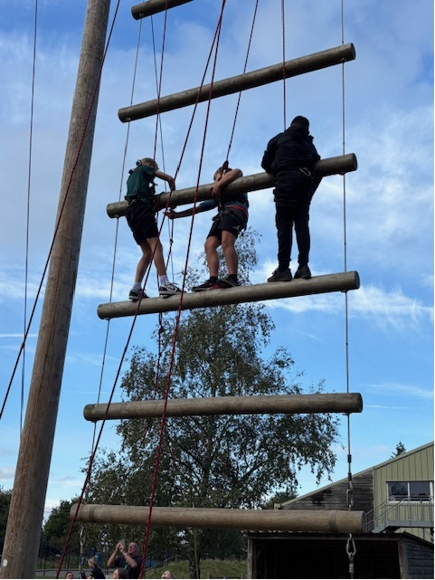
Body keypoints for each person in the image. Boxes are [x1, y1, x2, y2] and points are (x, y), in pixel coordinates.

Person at [165, 165, 247, 290]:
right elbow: (199, 208)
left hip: (235, 211)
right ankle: (212, 280)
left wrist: (219, 184)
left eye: (218, 179)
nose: (216, 183)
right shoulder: (219, 196)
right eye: (215, 181)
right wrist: (178, 215)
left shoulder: (236, 180)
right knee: (209, 245)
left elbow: (237, 171)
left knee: (226, 241)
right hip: (222, 215)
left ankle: (233, 277)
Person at [261, 115, 321, 282]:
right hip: (304, 186)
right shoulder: (309, 144)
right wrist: (311, 190)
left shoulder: (278, 139)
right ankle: (303, 266)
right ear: (307, 129)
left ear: (291, 125)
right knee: (302, 225)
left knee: (284, 227)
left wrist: (279, 168)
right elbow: (317, 163)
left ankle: (283, 269)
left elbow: (265, 164)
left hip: (285, 184)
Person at [125, 157, 181, 300]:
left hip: (130, 213)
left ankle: (136, 288)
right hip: (142, 209)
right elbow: (169, 178)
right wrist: (173, 195)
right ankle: (165, 283)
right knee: (156, 246)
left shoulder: (132, 177)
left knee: (147, 253)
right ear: (150, 165)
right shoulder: (145, 168)